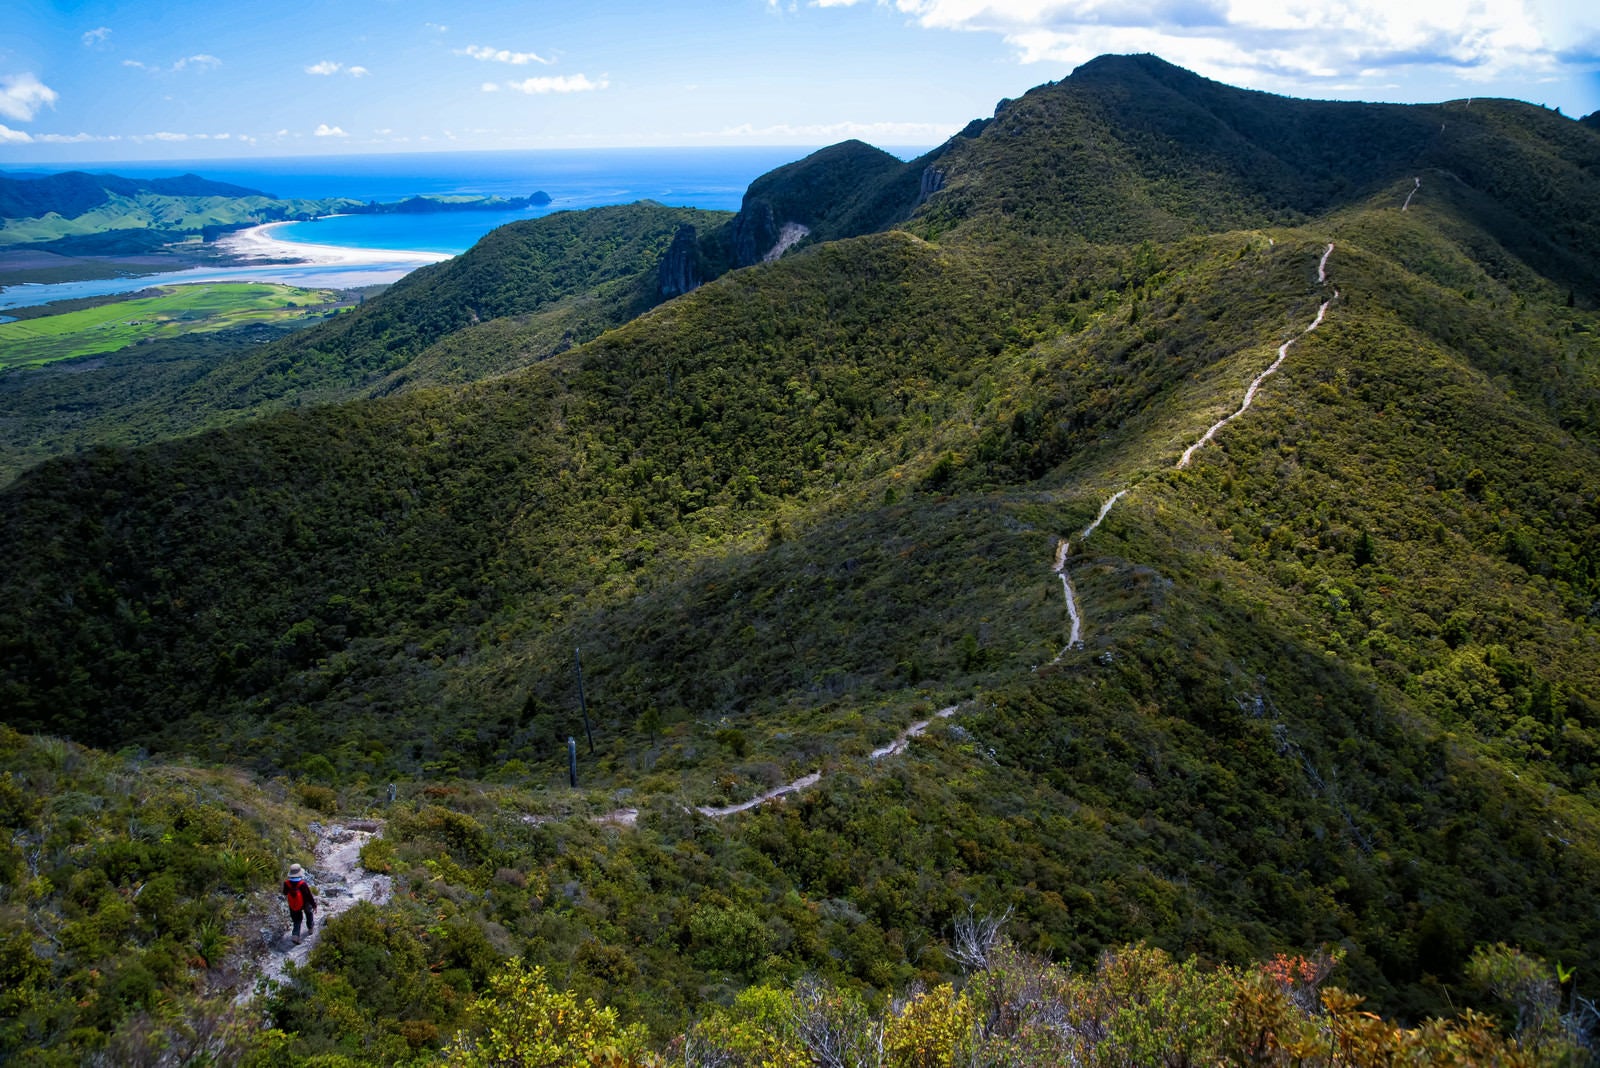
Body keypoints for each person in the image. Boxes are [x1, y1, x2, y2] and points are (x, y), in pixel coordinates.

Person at [283, 862, 317, 944]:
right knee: (309, 913)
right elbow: (309, 895)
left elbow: (285, 892)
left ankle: (295, 935)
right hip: (305, 903)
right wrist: (314, 905)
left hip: (294, 904)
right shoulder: (302, 884)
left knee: (297, 920)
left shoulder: (286, 883)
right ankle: (310, 928)